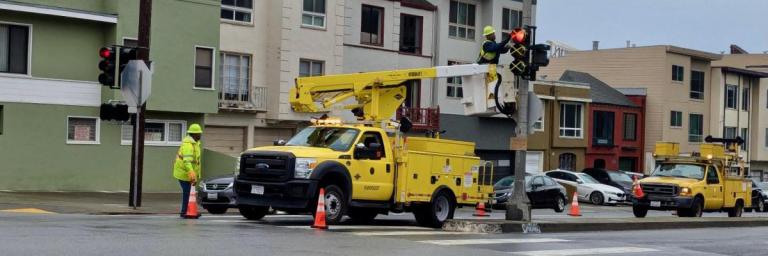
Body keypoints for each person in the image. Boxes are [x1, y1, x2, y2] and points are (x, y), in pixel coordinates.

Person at [173, 123, 203, 218]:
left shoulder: (195, 143)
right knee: (187, 192)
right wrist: (191, 172)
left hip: (187, 172)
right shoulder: (188, 145)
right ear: (194, 134)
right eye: (199, 133)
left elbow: (195, 161)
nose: (200, 135)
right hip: (183, 172)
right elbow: (187, 161)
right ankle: (185, 212)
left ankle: (190, 211)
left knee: (190, 192)